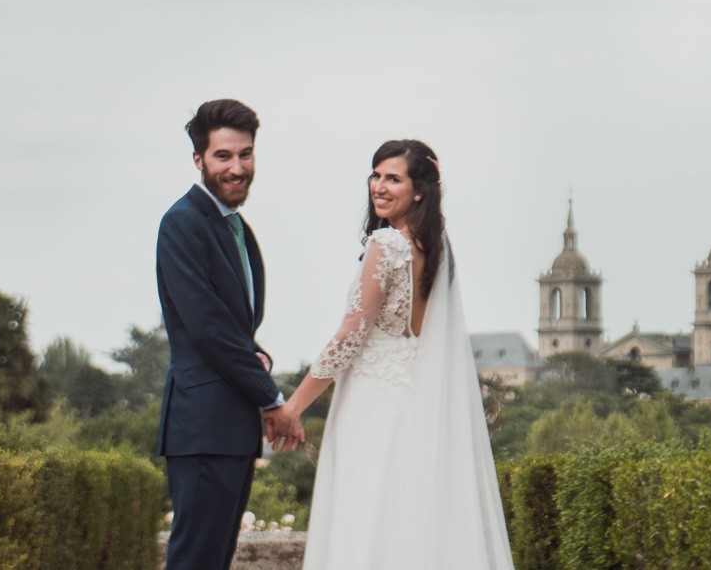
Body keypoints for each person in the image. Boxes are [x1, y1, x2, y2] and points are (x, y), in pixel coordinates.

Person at [277, 139, 516, 569]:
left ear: (419, 190)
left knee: (366, 515)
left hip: (372, 404)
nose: (379, 187)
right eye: (376, 175)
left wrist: (293, 406)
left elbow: (351, 335)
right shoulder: (436, 246)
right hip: (415, 401)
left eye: (394, 178)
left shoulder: (386, 245)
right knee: (410, 518)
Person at [154, 98, 304, 570]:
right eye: (223, 156)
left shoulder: (237, 228)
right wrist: (273, 399)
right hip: (202, 428)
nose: (237, 168)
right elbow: (207, 327)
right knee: (195, 562)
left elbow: (233, 325)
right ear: (198, 160)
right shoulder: (181, 223)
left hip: (230, 428)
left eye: (245, 154)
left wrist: (255, 354)